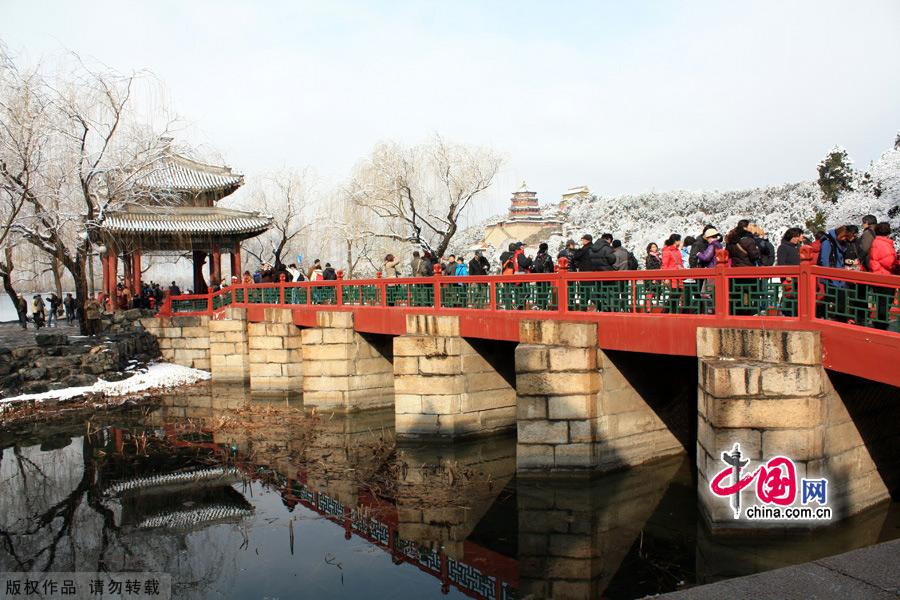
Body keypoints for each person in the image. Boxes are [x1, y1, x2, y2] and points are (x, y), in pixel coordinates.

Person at [868, 222, 898, 329]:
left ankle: (880, 322)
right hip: (885, 276)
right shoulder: (884, 244)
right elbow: (889, 262)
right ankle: (881, 324)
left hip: (878, 274)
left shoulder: (876, 242)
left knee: (881, 301)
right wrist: (897, 263)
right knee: (885, 302)